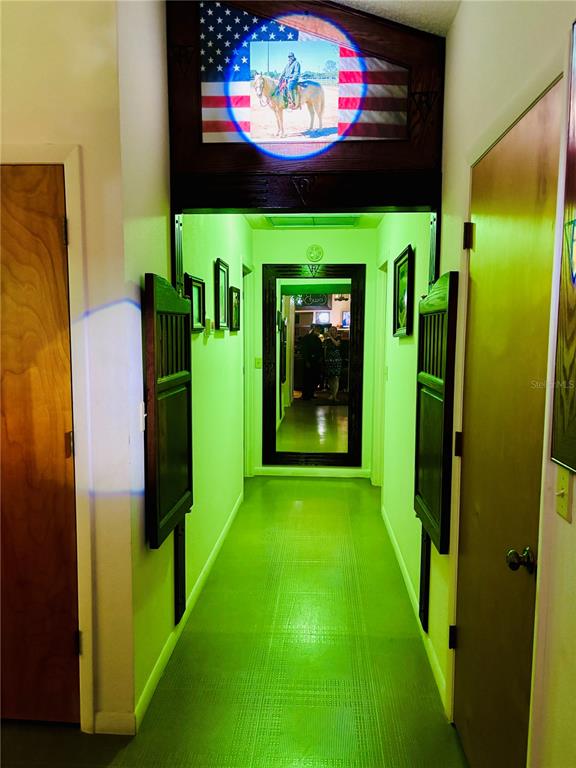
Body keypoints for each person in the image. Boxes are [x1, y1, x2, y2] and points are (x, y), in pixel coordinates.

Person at [299, 325, 323, 400]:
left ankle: (310, 394)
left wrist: (320, 358)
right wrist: (306, 360)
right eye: (318, 330)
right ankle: (306, 395)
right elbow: (304, 350)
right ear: (314, 329)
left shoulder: (316, 339)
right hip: (310, 361)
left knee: (313, 378)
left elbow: (320, 350)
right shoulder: (308, 338)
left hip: (314, 361)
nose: (318, 332)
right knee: (308, 379)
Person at [324, 326, 342, 402]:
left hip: (336, 359)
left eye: (332, 330)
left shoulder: (338, 338)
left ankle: (335, 395)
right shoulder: (327, 340)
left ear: (336, 331)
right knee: (330, 377)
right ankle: (332, 394)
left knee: (336, 377)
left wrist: (330, 337)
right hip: (329, 360)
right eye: (330, 330)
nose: (331, 332)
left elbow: (337, 344)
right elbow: (325, 349)